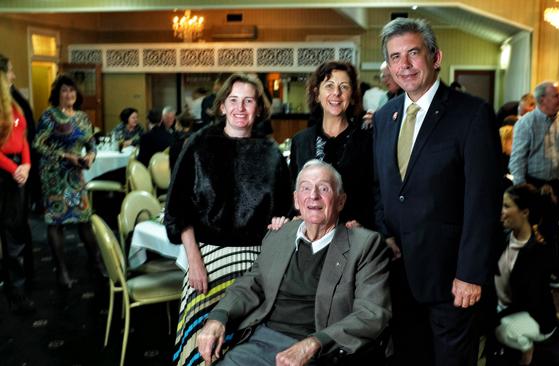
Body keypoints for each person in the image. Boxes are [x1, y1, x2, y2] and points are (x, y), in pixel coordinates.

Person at [372, 18, 502, 365]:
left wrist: (471, 274)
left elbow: (484, 201)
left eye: (413, 53)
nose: (405, 64)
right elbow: (382, 186)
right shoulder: (385, 118)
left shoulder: (471, 114)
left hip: (452, 279)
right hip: (398, 275)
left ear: (435, 57)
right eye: (396, 57)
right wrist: (384, 232)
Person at [196, 160, 391, 366]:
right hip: (261, 342)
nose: (313, 195)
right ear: (296, 200)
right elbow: (250, 286)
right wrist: (218, 317)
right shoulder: (278, 236)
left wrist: (314, 343)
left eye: (323, 188)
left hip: (322, 351)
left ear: (341, 201)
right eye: (305, 188)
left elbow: (371, 314)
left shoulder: (365, 244)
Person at [164, 73, 292, 366]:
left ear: (259, 108)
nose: (240, 108)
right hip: (207, 257)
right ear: (222, 106)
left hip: (257, 261)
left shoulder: (270, 152)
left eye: (248, 101)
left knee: (250, 345)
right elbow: (177, 210)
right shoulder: (198, 145)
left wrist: (282, 222)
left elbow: (284, 210)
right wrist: (194, 261)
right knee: (202, 345)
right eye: (233, 100)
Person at [33, 74, 103, 288]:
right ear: (58, 94)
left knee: (84, 217)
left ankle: (97, 261)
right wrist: (64, 155)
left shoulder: (82, 116)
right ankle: (61, 271)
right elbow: (38, 144)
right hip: (53, 175)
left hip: (75, 176)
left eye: (72, 90)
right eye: (64, 90)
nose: (69, 94)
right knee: (56, 221)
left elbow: (91, 144)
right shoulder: (49, 116)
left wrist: (91, 156)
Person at [509, 81, 559, 289]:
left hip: (555, 184)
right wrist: (523, 191)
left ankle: (548, 273)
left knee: (551, 230)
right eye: (556, 95)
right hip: (532, 182)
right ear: (542, 100)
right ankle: (524, 275)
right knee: (527, 230)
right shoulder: (526, 123)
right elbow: (517, 160)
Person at [289, 61, 375, 228]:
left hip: (354, 235)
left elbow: (375, 193)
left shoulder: (368, 140)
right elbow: (293, 191)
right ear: (316, 94)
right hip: (311, 234)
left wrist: (364, 223)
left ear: (352, 97)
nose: (336, 93)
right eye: (329, 86)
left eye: (344, 87)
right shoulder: (301, 141)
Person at [489, 184, 557, 366]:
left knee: (499, 329)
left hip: (534, 315)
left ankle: (526, 350)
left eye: (506, 206)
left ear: (525, 212)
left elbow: (530, 302)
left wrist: (493, 318)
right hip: (506, 307)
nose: (501, 211)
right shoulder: (502, 238)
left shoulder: (537, 252)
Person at [0, 62, 35, 313]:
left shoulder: (12, 104)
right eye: (10, 69)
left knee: (18, 230)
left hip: (18, 170)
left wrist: (26, 165)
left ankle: (20, 287)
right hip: (4, 173)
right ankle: (16, 290)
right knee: (10, 233)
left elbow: (22, 137)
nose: (14, 74)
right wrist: (14, 170)